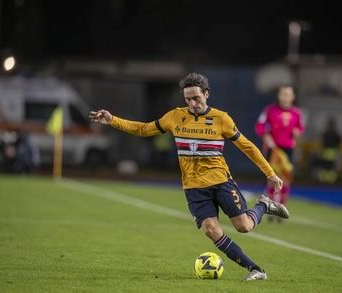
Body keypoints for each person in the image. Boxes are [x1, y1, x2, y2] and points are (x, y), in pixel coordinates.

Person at [89, 73, 289, 281]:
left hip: (221, 182)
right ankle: (255, 269)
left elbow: (247, 147)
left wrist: (270, 173)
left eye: (196, 98)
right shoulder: (175, 117)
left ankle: (264, 205)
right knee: (211, 230)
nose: (192, 103)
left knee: (244, 227)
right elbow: (144, 129)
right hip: (193, 188)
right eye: (188, 99)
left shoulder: (222, 119)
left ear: (206, 94)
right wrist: (113, 120)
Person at [255, 86, 304, 219]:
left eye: (288, 94)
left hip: (288, 149)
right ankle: (270, 206)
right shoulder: (270, 110)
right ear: (279, 96)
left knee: (286, 178)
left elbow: (300, 128)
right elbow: (260, 126)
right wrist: (266, 136)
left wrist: (297, 133)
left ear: (292, 97)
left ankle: (282, 206)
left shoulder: (297, 113)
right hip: (273, 149)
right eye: (283, 94)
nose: (285, 97)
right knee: (272, 177)